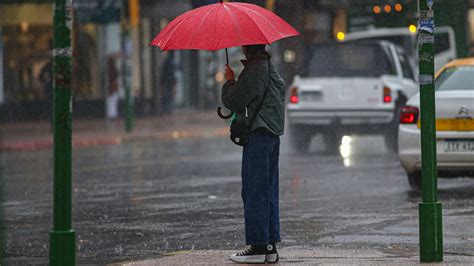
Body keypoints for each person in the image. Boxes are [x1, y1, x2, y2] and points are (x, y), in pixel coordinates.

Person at [221, 44, 286, 264]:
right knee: (267, 190)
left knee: (255, 190)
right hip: (271, 135)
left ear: (247, 47)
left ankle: (258, 246)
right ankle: (269, 246)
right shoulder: (268, 67)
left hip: (259, 135)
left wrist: (229, 80)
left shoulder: (256, 69)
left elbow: (233, 100)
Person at [106, 55, 120, 120]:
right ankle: (112, 114)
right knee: (112, 100)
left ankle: (112, 114)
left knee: (112, 101)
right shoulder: (111, 69)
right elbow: (115, 75)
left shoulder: (109, 69)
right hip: (112, 87)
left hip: (112, 87)